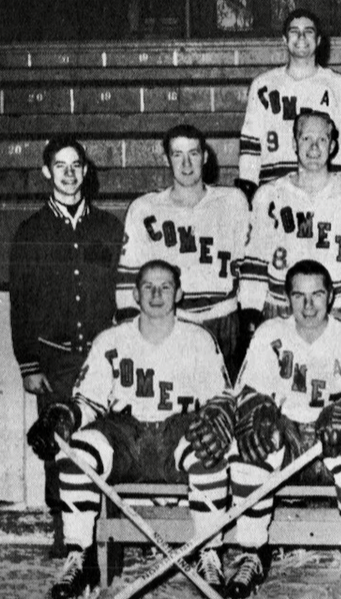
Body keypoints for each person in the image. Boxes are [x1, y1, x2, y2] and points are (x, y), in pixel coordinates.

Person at [27, 260, 230, 599]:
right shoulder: (111, 339)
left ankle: (208, 553)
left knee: (209, 449)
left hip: (178, 430)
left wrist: (218, 417)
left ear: (179, 293)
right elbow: (88, 401)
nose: (156, 294)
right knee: (77, 452)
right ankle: (81, 557)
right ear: (135, 294)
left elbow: (220, 398)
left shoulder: (198, 339)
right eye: (148, 286)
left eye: (165, 287)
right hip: (124, 433)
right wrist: (64, 417)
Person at [227, 259, 341, 599]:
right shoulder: (269, 333)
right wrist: (259, 410)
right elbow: (247, 392)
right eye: (299, 296)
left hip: (332, 444)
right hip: (287, 438)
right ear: (287, 298)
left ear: (331, 296)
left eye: (317, 295)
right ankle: (253, 551)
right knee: (251, 441)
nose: (308, 305)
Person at [9, 136, 124, 558]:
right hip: (54, 359)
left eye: (76, 165)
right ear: (47, 172)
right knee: (56, 444)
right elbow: (21, 302)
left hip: (100, 359)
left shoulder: (109, 227)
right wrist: (29, 364)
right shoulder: (31, 232)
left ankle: (108, 535)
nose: (70, 173)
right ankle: (65, 533)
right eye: (61, 166)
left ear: (86, 170)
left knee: (103, 441)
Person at [238, 111, 341, 363]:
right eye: (306, 138)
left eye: (322, 139)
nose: (314, 147)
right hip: (284, 308)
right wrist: (250, 308)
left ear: (333, 146)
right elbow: (255, 263)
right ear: (294, 143)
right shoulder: (269, 195)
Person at [116, 124, 249, 379]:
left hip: (223, 321)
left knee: (223, 399)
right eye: (177, 154)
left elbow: (248, 268)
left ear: (205, 156)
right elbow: (127, 283)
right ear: (166, 159)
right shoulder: (144, 209)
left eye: (193, 153)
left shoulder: (233, 202)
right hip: (172, 321)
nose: (186, 164)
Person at [236, 8, 341, 203]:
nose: (301, 37)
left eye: (308, 31)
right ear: (284, 39)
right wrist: (249, 192)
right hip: (276, 190)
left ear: (318, 40)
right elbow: (251, 149)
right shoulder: (263, 85)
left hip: (328, 192)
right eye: (294, 31)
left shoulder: (339, 86)